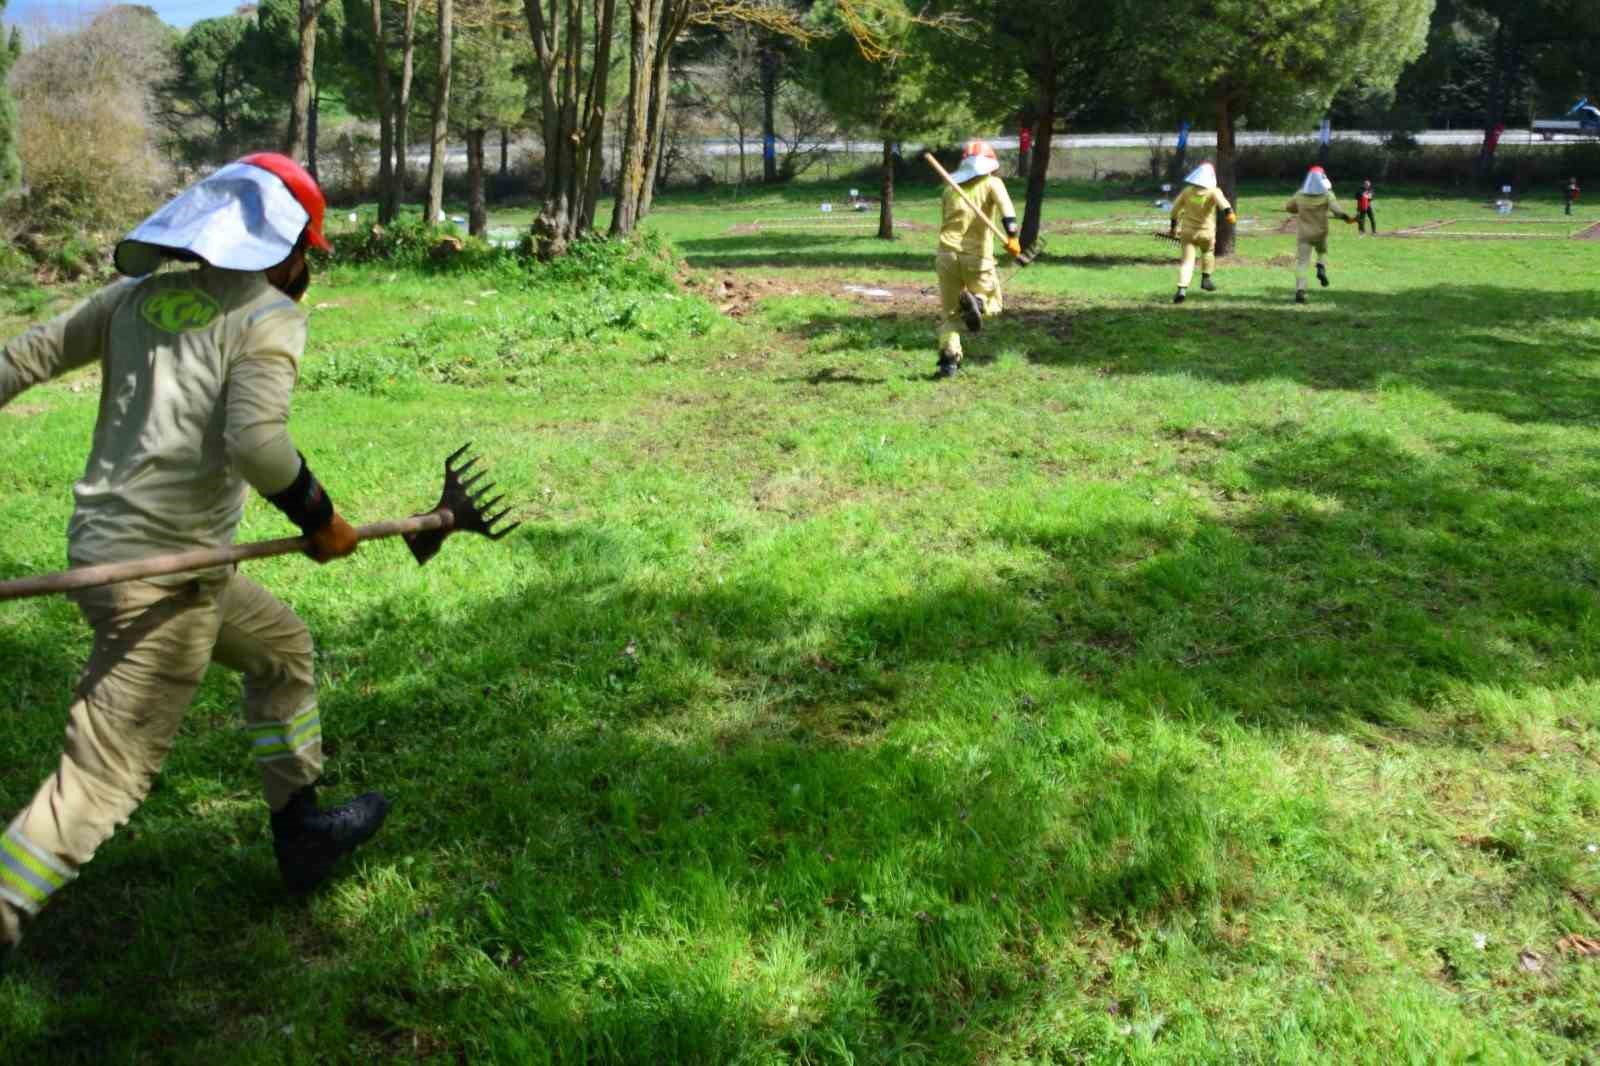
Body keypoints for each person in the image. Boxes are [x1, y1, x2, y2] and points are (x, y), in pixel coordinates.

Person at [0, 153, 390, 959]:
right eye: (304, 255)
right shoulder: (266, 314)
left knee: (281, 651)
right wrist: (321, 520)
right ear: (285, 248)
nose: (303, 272)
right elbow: (258, 442)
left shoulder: (132, 299)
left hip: (132, 556)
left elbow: (21, 359)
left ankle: (302, 828)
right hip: (166, 581)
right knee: (103, 778)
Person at [935, 140, 1023, 379]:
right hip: (977, 257)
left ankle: (948, 362)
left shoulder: (949, 188)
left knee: (950, 314)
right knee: (995, 302)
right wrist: (1013, 237)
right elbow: (1007, 211)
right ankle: (979, 302)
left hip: (945, 256)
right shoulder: (993, 183)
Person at [1167, 160, 1236, 304]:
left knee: (1187, 262)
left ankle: (1182, 289)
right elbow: (1224, 204)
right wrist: (1230, 214)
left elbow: (1174, 210)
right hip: (1206, 233)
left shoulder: (1187, 192)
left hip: (1187, 233)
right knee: (1207, 253)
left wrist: (1173, 228)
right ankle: (1206, 278)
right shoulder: (1213, 191)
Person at [1285, 165, 1355, 304]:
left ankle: (1300, 290)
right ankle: (1321, 267)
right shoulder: (1327, 195)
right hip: (1320, 232)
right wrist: (1349, 219)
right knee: (1322, 251)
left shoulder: (1300, 194)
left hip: (1304, 234)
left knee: (1302, 263)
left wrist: (1300, 208)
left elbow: (1289, 208)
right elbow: (1337, 212)